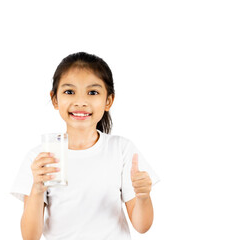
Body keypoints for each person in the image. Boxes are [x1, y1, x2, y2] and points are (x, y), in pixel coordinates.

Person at [11, 52, 160, 240]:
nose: (81, 102)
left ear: (108, 101)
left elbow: (142, 226)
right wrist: (37, 188)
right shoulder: (39, 158)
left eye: (93, 92)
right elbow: (30, 236)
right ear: (55, 99)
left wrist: (143, 196)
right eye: (69, 91)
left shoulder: (121, 149)